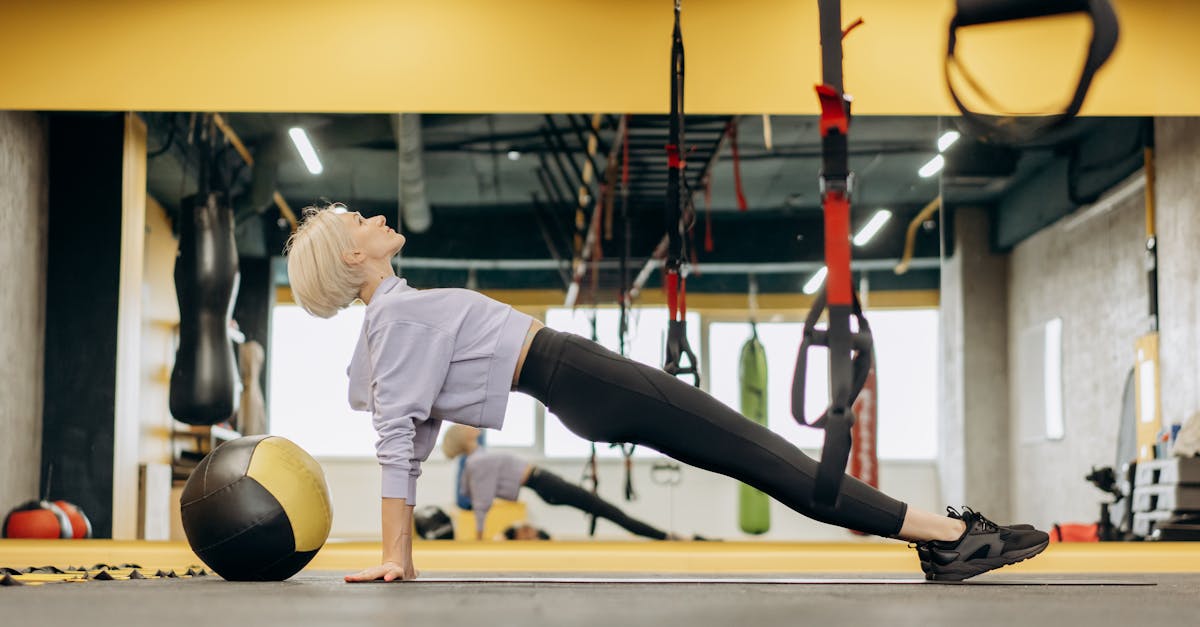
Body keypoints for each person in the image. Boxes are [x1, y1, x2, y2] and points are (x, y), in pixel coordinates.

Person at [284, 203, 1049, 583]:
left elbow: (406, 428)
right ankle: (945, 537)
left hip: (577, 381)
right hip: (576, 375)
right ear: (353, 253)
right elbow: (397, 437)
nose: (376, 216)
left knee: (766, 459)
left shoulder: (397, 317)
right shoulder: (399, 319)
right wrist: (397, 554)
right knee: (772, 456)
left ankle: (939, 537)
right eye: (361, 218)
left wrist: (401, 552)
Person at [443, 424, 681, 541]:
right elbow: (481, 500)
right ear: (463, 437)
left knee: (606, 510)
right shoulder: (476, 462)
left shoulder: (478, 459)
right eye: (465, 426)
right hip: (545, 484)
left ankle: (663, 535)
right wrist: (479, 538)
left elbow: (470, 490)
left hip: (545, 484)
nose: (470, 425)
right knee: (607, 510)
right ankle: (664, 537)